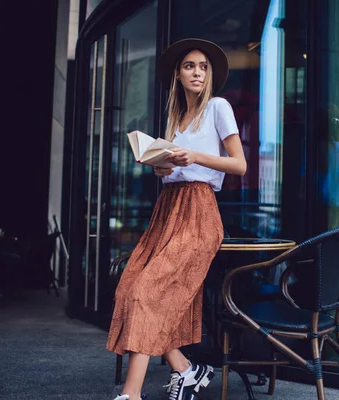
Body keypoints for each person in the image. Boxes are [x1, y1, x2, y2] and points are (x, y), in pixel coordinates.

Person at [106, 38, 247, 400]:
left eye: (202, 66)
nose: (197, 72)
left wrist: (194, 157)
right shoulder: (175, 119)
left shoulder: (218, 107)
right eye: (189, 66)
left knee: (147, 291)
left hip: (198, 212)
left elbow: (239, 165)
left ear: (209, 73)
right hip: (168, 209)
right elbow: (176, 171)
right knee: (130, 285)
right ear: (178, 74)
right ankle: (186, 370)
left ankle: (130, 395)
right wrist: (161, 166)